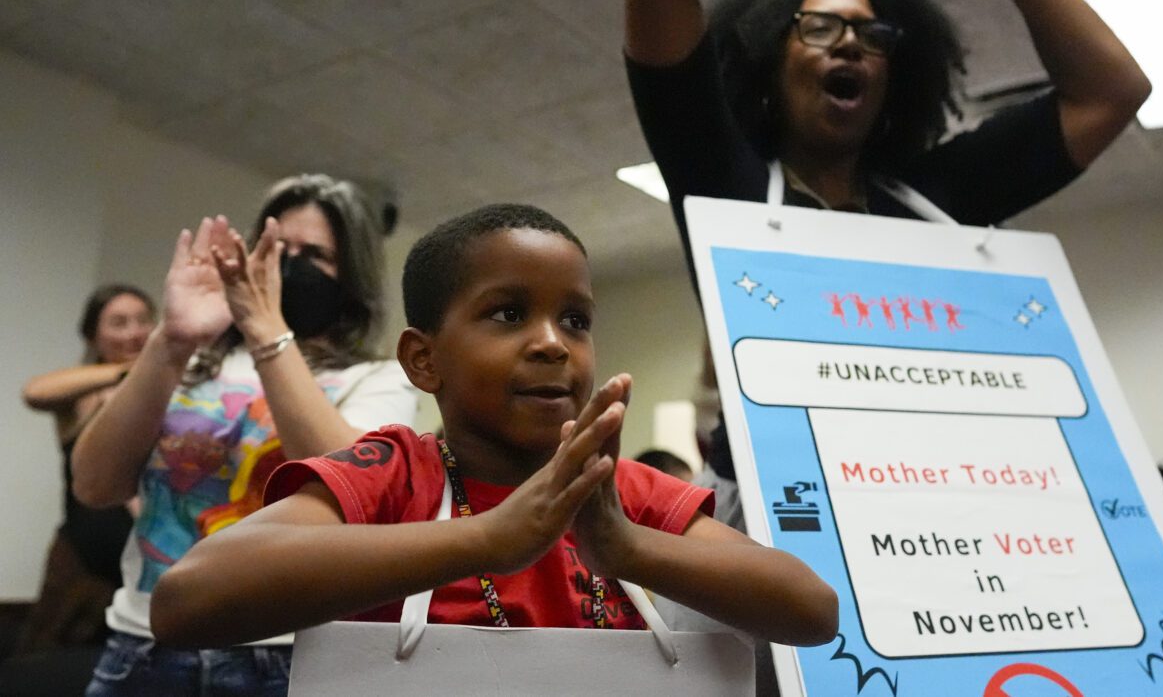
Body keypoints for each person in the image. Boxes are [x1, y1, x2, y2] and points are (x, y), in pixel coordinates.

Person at [624, 0, 1151, 529]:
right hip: (769, 514)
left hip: (928, 507)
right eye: (818, 27)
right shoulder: (721, 182)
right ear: (769, 60)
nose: (849, 44)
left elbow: (1113, 89)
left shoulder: (939, 192)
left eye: (871, 35)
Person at [148, 203, 838, 652]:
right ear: (424, 360)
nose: (552, 344)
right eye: (508, 314)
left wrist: (624, 548)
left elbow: (811, 610)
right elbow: (186, 603)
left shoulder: (618, 491)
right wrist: (485, 538)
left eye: (575, 320)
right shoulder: (390, 474)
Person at [70, 174, 417, 697]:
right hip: (142, 648)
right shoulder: (191, 365)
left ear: (349, 280)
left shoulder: (376, 378)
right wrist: (172, 340)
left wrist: (265, 331)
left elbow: (353, 495)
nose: (290, 266)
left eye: (315, 256)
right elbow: (95, 485)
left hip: (281, 661)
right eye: (279, 249)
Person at [15, 285, 155, 653]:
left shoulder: (166, 389)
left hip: (149, 567)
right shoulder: (82, 394)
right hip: (80, 569)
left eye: (142, 321)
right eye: (119, 322)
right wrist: (127, 371)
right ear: (94, 334)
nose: (133, 332)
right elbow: (35, 391)